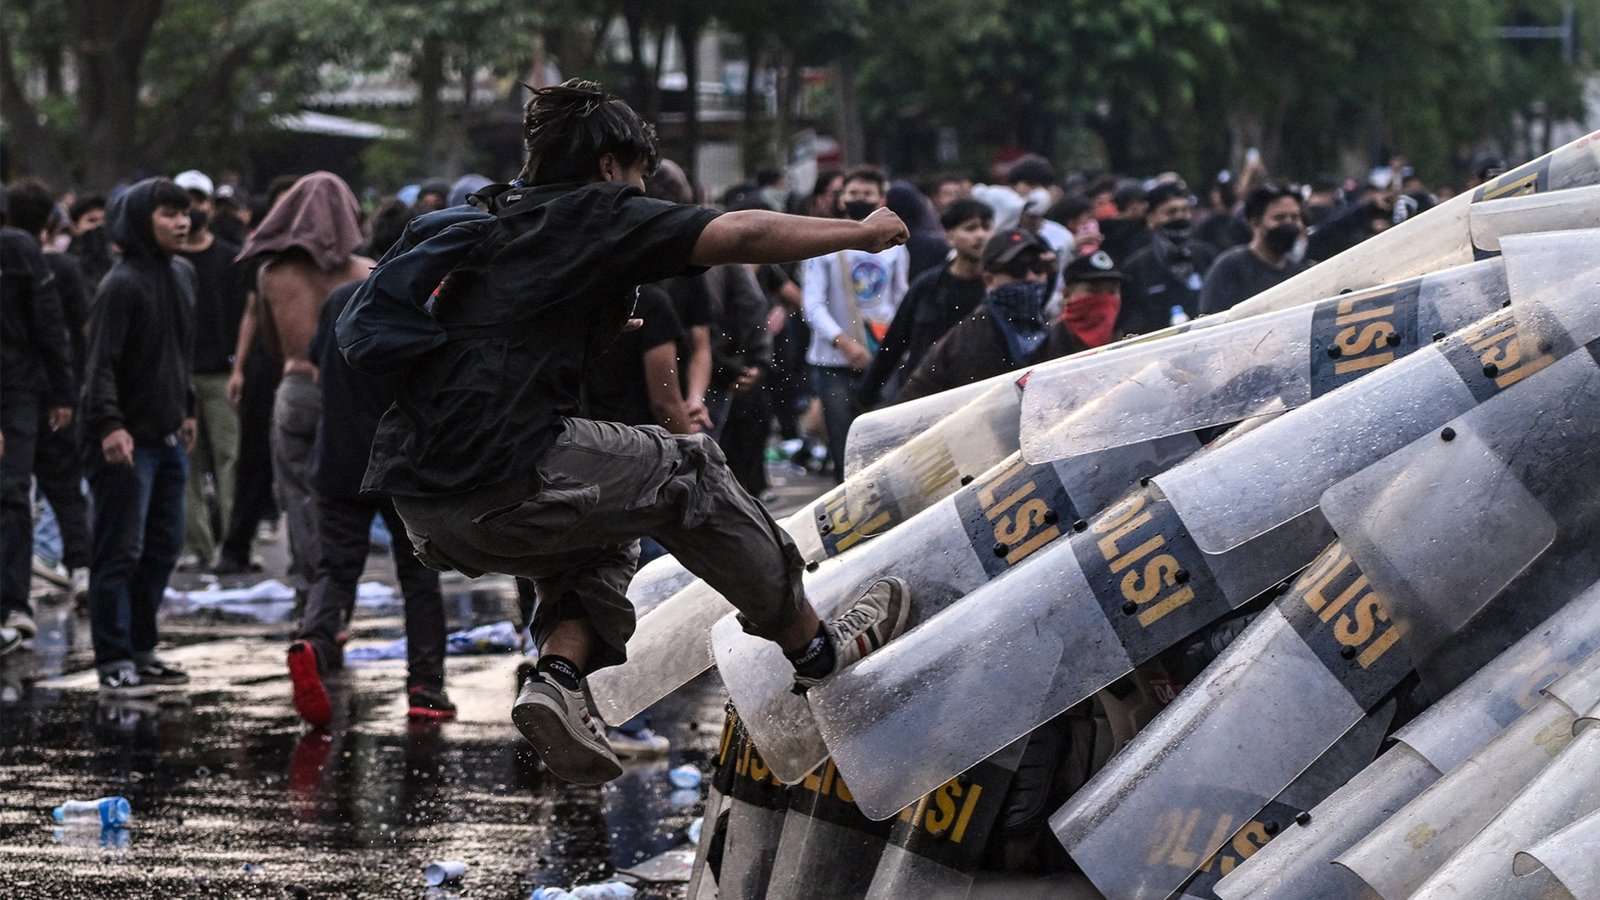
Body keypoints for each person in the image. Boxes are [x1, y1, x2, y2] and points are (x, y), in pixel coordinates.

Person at [358, 79, 913, 785]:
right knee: (691, 471)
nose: (645, 188)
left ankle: (558, 677)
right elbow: (739, 233)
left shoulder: (493, 216)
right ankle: (818, 652)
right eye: (642, 173)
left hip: (423, 503)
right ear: (612, 163)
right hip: (504, 473)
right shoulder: (597, 210)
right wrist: (863, 234)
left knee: (605, 519)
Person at [286, 279, 455, 727]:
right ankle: (425, 687)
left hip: (339, 458)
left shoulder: (342, 297)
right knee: (419, 576)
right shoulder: (428, 306)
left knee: (336, 568)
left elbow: (319, 367)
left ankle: (314, 644)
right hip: (404, 463)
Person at [79, 178, 198, 695]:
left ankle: (143, 649)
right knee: (118, 550)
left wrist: (187, 408)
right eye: (168, 213)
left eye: (184, 212)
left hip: (168, 437)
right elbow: (99, 363)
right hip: (124, 439)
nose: (182, 222)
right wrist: (110, 424)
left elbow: (179, 353)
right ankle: (113, 659)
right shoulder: (120, 283)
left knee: (163, 546)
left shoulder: (183, 275)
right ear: (140, 220)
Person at [237, 173, 372, 614]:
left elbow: (273, 347)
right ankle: (339, 605)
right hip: (351, 395)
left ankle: (309, 597)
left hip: (297, 389)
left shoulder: (272, 274)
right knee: (350, 503)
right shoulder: (367, 272)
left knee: (299, 497)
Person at [0, 186, 76, 657]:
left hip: (17, 390)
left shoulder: (18, 249)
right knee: (11, 492)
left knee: (11, 492)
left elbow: (50, 324)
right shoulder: (22, 248)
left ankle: (11, 605)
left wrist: (61, 391)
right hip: (19, 389)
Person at [5, 181, 92, 584]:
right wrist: (67, 388)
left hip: (16, 390)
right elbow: (72, 328)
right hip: (53, 390)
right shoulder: (62, 268)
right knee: (63, 483)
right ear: (49, 220)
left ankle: (17, 583)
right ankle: (81, 566)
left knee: (15, 491)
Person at [800, 165, 910, 481]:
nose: (859, 199)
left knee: (884, 441)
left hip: (881, 358)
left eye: (867, 194)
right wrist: (844, 343)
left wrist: (893, 346)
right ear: (842, 198)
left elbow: (899, 299)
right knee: (842, 444)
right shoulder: (824, 242)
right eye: (853, 193)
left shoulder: (894, 246)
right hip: (832, 361)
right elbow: (813, 304)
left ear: (881, 199)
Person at [173, 170, 247, 569]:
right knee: (188, 463)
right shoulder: (169, 263)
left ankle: (233, 546)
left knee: (229, 460)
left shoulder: (229, 257)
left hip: (221, 374)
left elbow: (244, 318)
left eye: (198, 200)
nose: (192, 209)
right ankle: (195, 549)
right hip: (179, 376)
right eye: (182, 202)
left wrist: (240, 367)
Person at [896, 228, 1058, 402]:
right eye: (1016, 269)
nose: (1031, 278)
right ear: (989, 280)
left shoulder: (1042, 325)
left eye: (1038, 268)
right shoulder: (973, 338)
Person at [859, 197, 992, 408]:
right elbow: (894, 343)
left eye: (986, 228)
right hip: (928, 396)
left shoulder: (996, 290)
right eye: (970, 228)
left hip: (981, 398)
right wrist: (866, 396)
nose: (980, 235)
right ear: (949, 236)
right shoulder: (927, 288)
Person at [1116, 181, 1219, 335]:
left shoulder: (1208, 256)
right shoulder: (1136, 268)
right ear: (1151, 219)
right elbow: (1131, 323)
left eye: (1185, 211)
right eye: (1171, 212)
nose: (1180, 217)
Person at [1199, 182, 1312, 315]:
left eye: (1295, 217)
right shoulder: (1230, 268)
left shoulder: (1301, 272)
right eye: (1279, 218)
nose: (1289, 224)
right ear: (1255, 224)